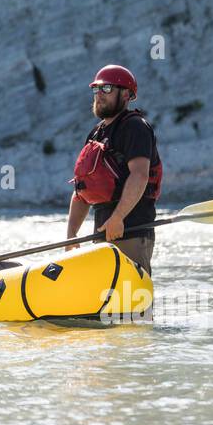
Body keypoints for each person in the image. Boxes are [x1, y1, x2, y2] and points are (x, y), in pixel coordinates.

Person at [65, 64, 163, 275]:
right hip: (101, 233)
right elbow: (81, 191)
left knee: (129, 297)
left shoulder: (135, 127)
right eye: (96, 89)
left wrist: (118, 218)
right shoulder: (95, 134)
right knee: (102, 299)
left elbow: (140, 174)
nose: (99, 94)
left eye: (107, 89)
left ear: (126, 94)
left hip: (132, 229)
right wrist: (71, 233)